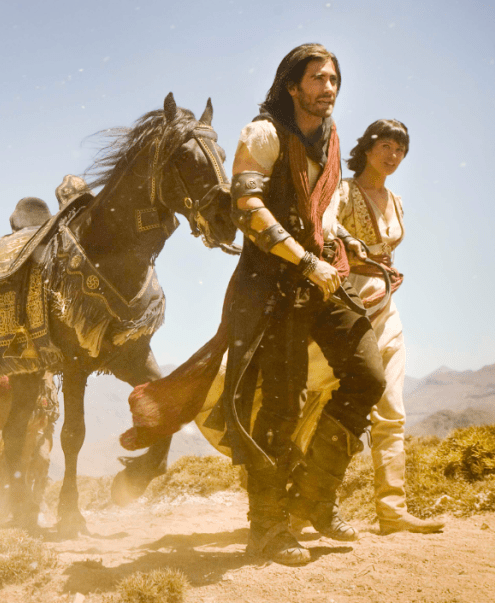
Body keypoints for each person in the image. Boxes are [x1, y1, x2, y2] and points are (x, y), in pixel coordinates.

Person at [120, 43, 385, 566]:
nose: (328, 87)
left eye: (333, 79)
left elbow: (320, 212)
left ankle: (314, 496)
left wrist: (345, 243)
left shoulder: (330, 139)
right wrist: (304, 260)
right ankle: (267, 526)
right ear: (292, 86)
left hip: (323, 275)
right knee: (280, 406)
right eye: (317, 78)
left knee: (367, 375)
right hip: (270, 285)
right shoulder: (263, 133)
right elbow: (247, 208)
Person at [299, 120, 444, 535]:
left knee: (392, 408)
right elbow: (325, 227)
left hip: (386, 305)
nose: (393, 155)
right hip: (347, 301)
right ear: (366, 149)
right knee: (319, 399)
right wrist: (353, 247)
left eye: (400, 149)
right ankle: (300, 502)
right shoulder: (343, 191)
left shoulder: (396, 200)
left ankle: (392, 509)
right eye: (385, 146)